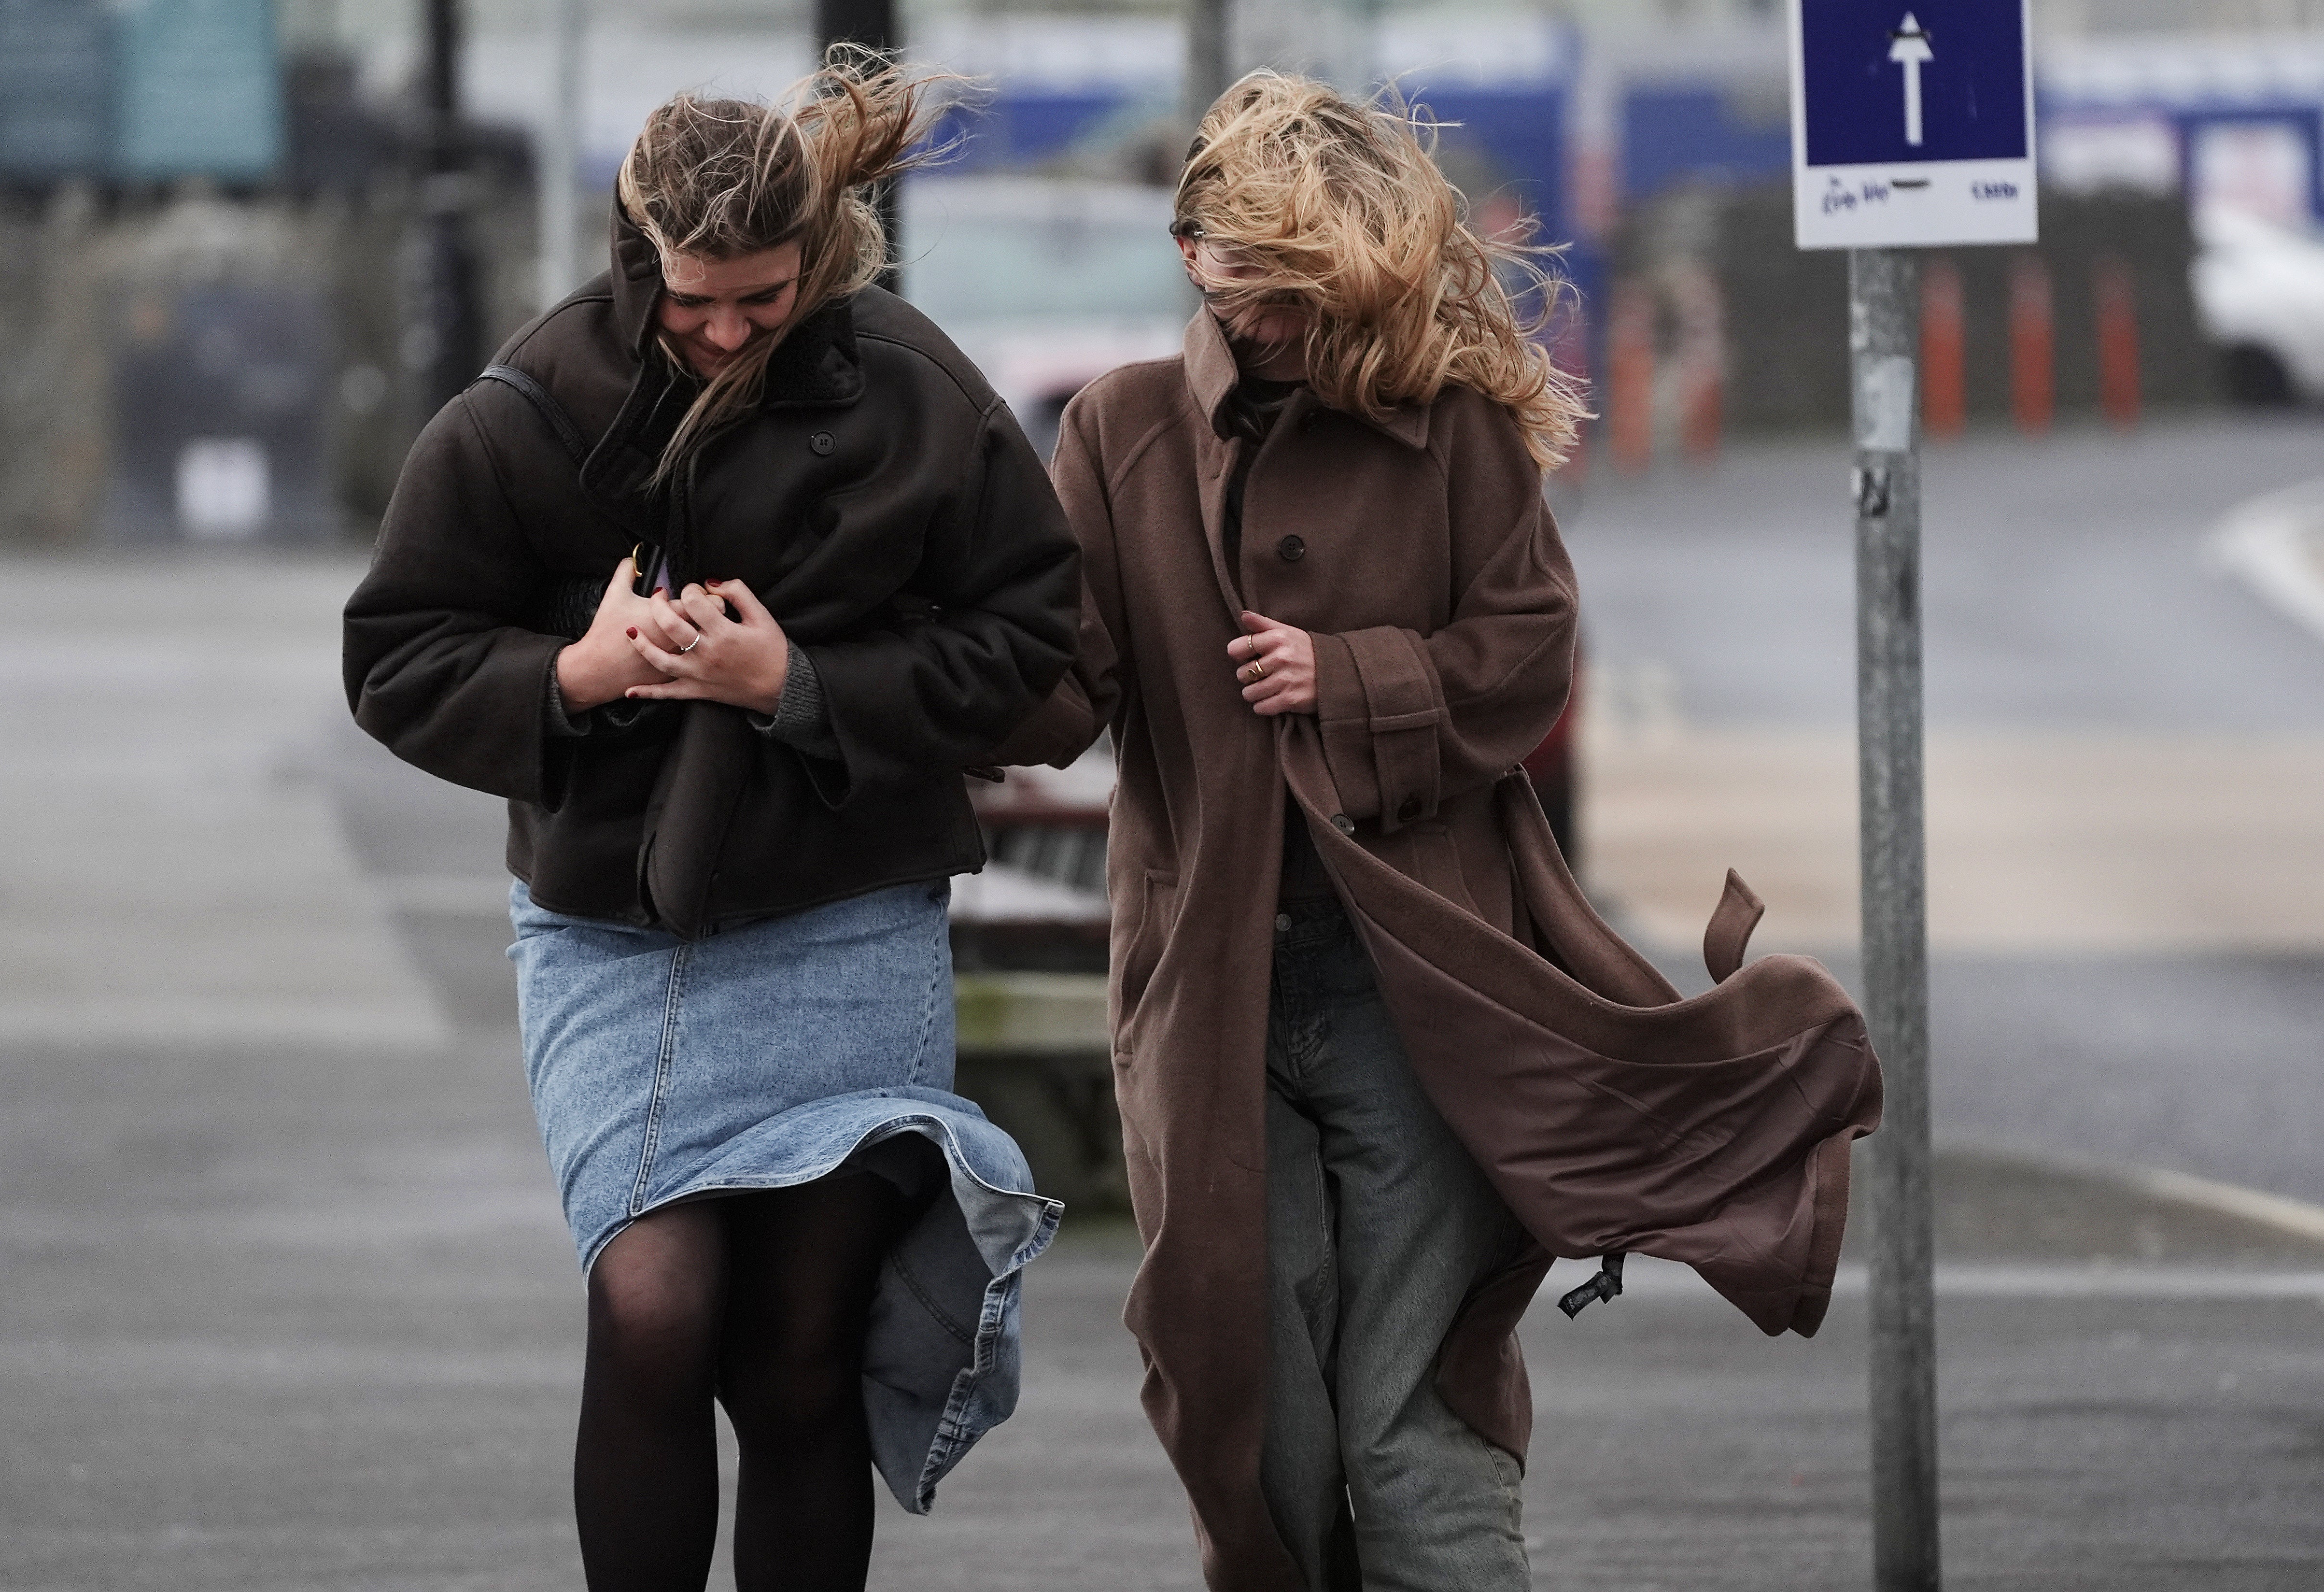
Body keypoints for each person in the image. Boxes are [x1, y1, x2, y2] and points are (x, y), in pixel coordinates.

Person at [999, 72, 1881, 1592]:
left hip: (1421, 991)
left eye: (1304, 288)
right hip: (1207, 994)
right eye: (1246, 279)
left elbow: (1532, 650)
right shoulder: (1121, 433)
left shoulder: (1453, 429)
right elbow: (1056, 696)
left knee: (1417, 1412)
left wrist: (1352, 678)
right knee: (1247, 1405)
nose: (1270, 320)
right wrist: (897, 665)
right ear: (1194, 249)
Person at [342, 57, 1077, 1592]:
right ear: (639, 251)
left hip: (848, 908)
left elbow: (1036, 651)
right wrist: (578, 672)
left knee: (802, 1351)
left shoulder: (917, 389)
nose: (732, 329)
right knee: (655, 1306)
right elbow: (395, 650)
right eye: (697, 300)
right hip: (610, 927)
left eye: (765, 294)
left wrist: (796, 681)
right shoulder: (531, 405)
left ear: (818, 254)